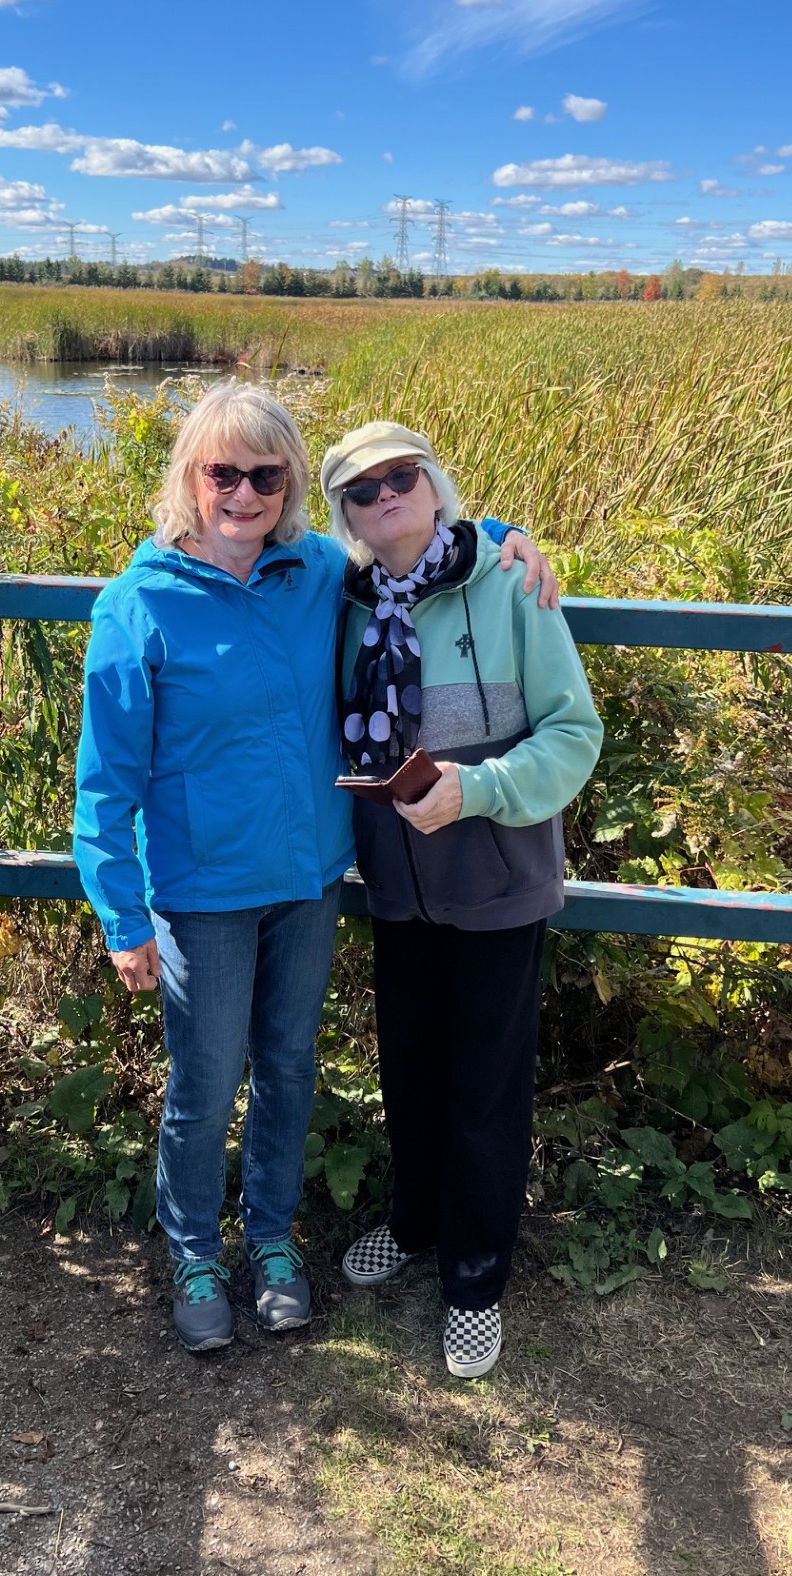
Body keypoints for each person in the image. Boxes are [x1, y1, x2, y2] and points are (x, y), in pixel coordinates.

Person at [72, 383, 556, 1354]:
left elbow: (416, 537)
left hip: (310, 882)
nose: (244, 493)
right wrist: (120, 915)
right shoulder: (138, 605)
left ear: (290, 487)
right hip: (202, 891)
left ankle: (273, 1241)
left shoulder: (316, 574)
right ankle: (195, 1252)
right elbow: (105, 781)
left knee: (289, 1068)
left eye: (266, 474)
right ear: (191, 479)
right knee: (205, 1083)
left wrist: (507, 534)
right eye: (225, 472)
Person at [321, 420, 603, 1380]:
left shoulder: (512, 583)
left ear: (436, 486)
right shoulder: (343, 597)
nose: (385, 495)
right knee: (409, 1067)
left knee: (486, 1085)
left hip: (495, 882)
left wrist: (477, 791)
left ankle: (476, 1279)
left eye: (402, 476)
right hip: (396, 888)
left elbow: (574, 733)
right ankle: (412, 1222)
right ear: (346, 516)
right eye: (362, 490)